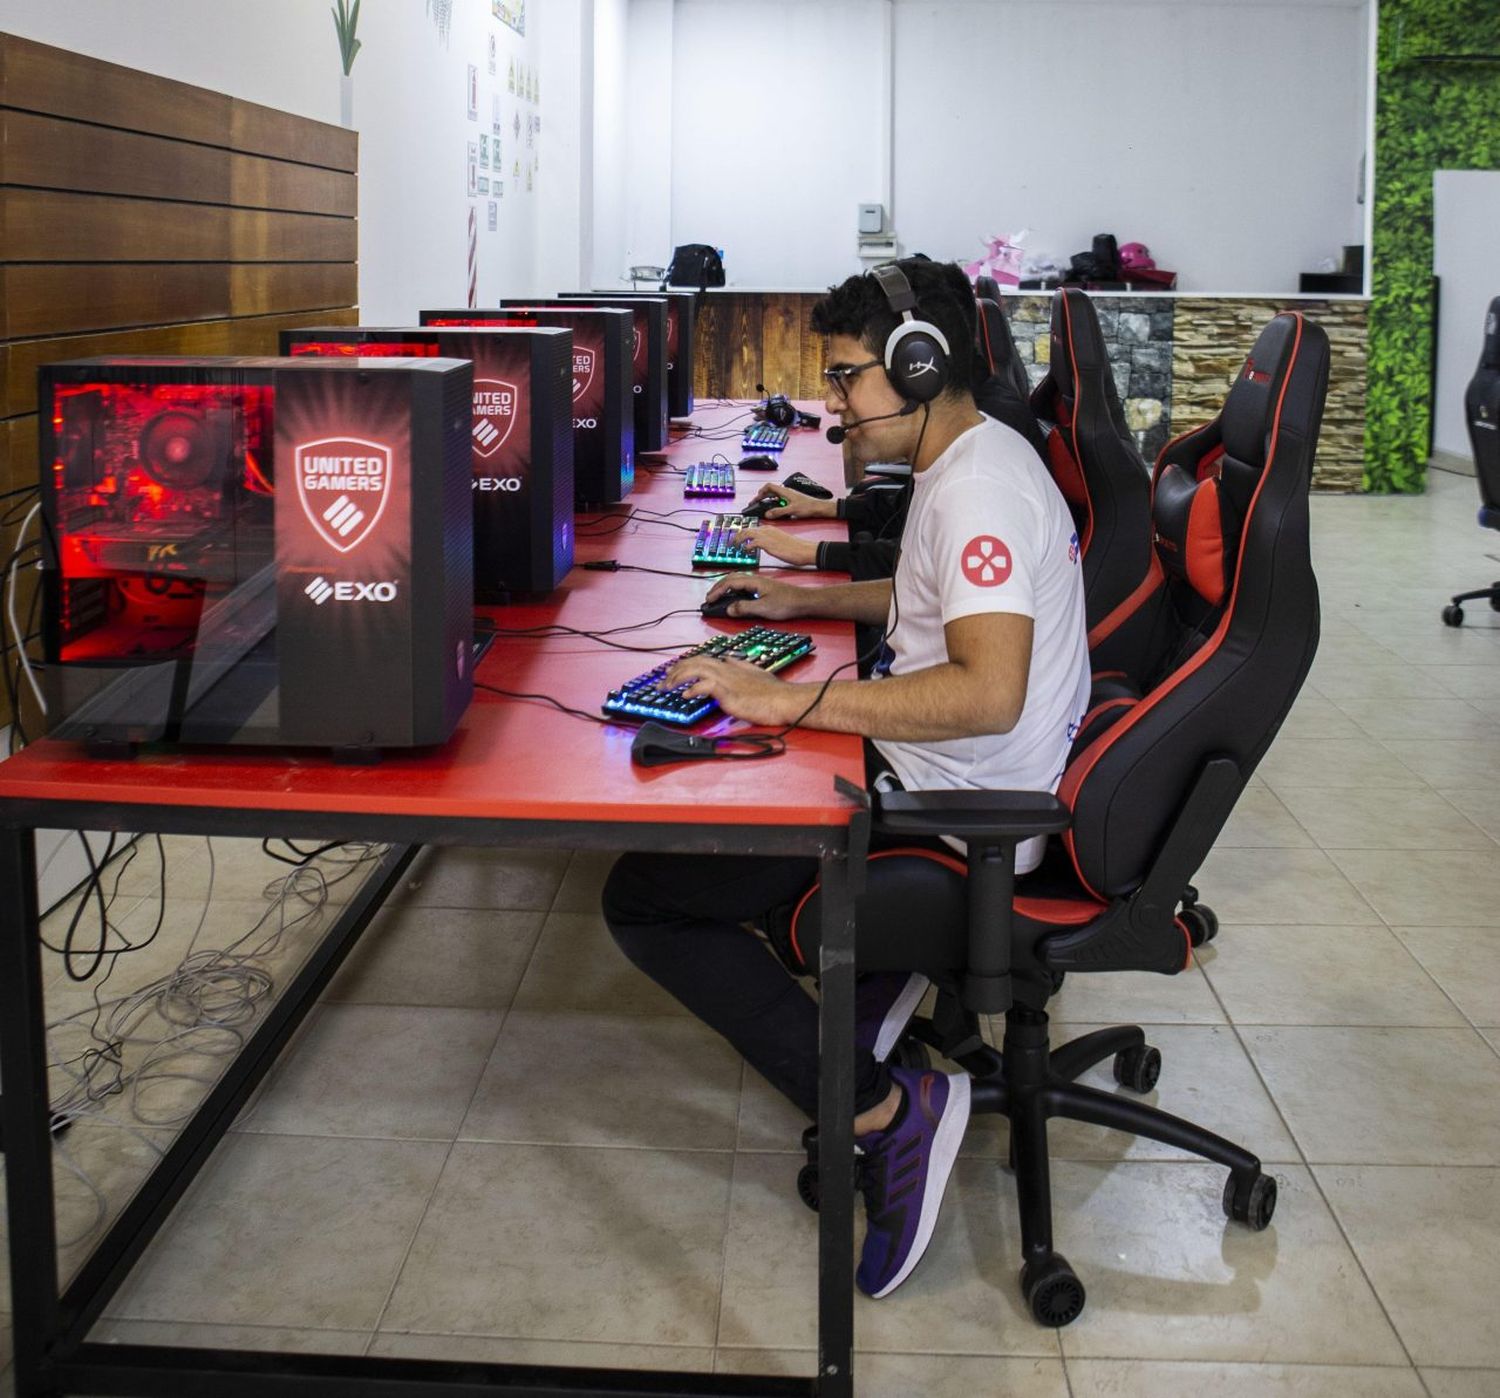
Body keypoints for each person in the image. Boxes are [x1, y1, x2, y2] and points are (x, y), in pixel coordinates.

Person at [602, 258, 1089, 1299]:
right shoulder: (968, 462)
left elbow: (987, 691)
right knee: (721, 800)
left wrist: (796, 702)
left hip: (960, 807)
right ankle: (872, 999)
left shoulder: (981, 497)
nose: (834, 404)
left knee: (647, 899)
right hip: (946, 774)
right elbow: (925, 611)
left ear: (920, 367)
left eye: (848, 378)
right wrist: (801, 599)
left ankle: (884, 1110)